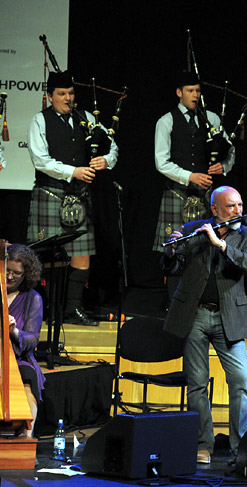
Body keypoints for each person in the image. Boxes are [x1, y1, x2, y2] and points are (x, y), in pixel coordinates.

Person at [162, 186, 247, 464]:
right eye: (231, 207)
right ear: (215, 209)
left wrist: (221, 244)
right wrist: (171, 251)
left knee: (241, 381)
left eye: (240, 205)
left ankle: (239, 447)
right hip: (196, 315)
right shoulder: (194, 229)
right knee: (197, 384)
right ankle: (203, 443)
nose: (238, 211)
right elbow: (171, 268)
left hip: (229, 317)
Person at [27, 71, 119, 326]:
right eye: (62, 94)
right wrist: (73, 171)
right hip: (50, 194)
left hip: (79, 196)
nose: (68, 99)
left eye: (71, 93)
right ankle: (45, 309)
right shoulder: (40, 120)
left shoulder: (86, 118)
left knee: (82, 256)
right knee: (44, 259)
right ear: (49, 96)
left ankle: (71, 309)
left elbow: (111, 146)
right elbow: (39, 159)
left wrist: (105, 160)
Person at [153, 71, 235, 258]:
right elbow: (161, 162)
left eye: (198, 91)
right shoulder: (166, 121)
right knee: (174, 251)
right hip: (176, 192)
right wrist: (190, 176)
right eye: (190, 91)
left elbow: (230, 150)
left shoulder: (212, 119)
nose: (196, 95)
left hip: (205, 194)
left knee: (204, 250)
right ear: (179, 92)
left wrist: (223, 166)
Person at [6, 244, 46, 438]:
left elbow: (33, 339)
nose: (10, 276)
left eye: (16, 273)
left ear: (26, 275)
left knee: (27, 379)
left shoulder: (32, 299)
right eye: (7, 271)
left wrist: (14, 332)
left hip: (18, 358)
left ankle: (27, 436)